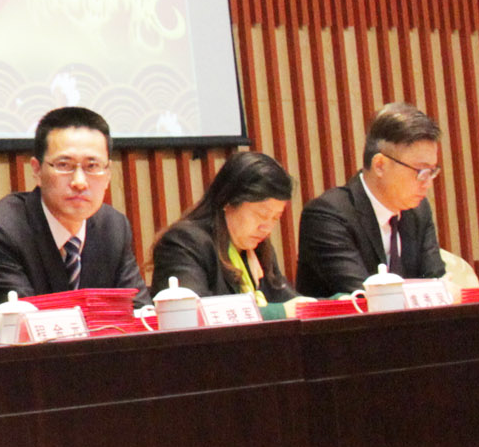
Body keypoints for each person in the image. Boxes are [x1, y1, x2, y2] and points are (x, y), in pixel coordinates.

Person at [0, 104, 142, 297]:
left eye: (92, 166)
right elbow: (23, 312)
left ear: (108, 173)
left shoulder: (113, 228)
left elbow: (138, 307)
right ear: (37, 170)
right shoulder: (1, 231)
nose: (79, 182)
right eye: (64, 165)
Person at [298, 102, 446, 296]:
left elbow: (436, 281)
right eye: (421, 171)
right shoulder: (327, 216)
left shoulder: (418, 210)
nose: (427, 183)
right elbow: (366, 296)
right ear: (380, 165)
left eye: (432, 171)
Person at [151, 149, 299, 304]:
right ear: (228, 201)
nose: (266, 228)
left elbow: (287, 299)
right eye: (261, 215)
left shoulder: (258, 248)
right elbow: (193, 310)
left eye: (275, 218)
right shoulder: (185, 243)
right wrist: (278, 312)